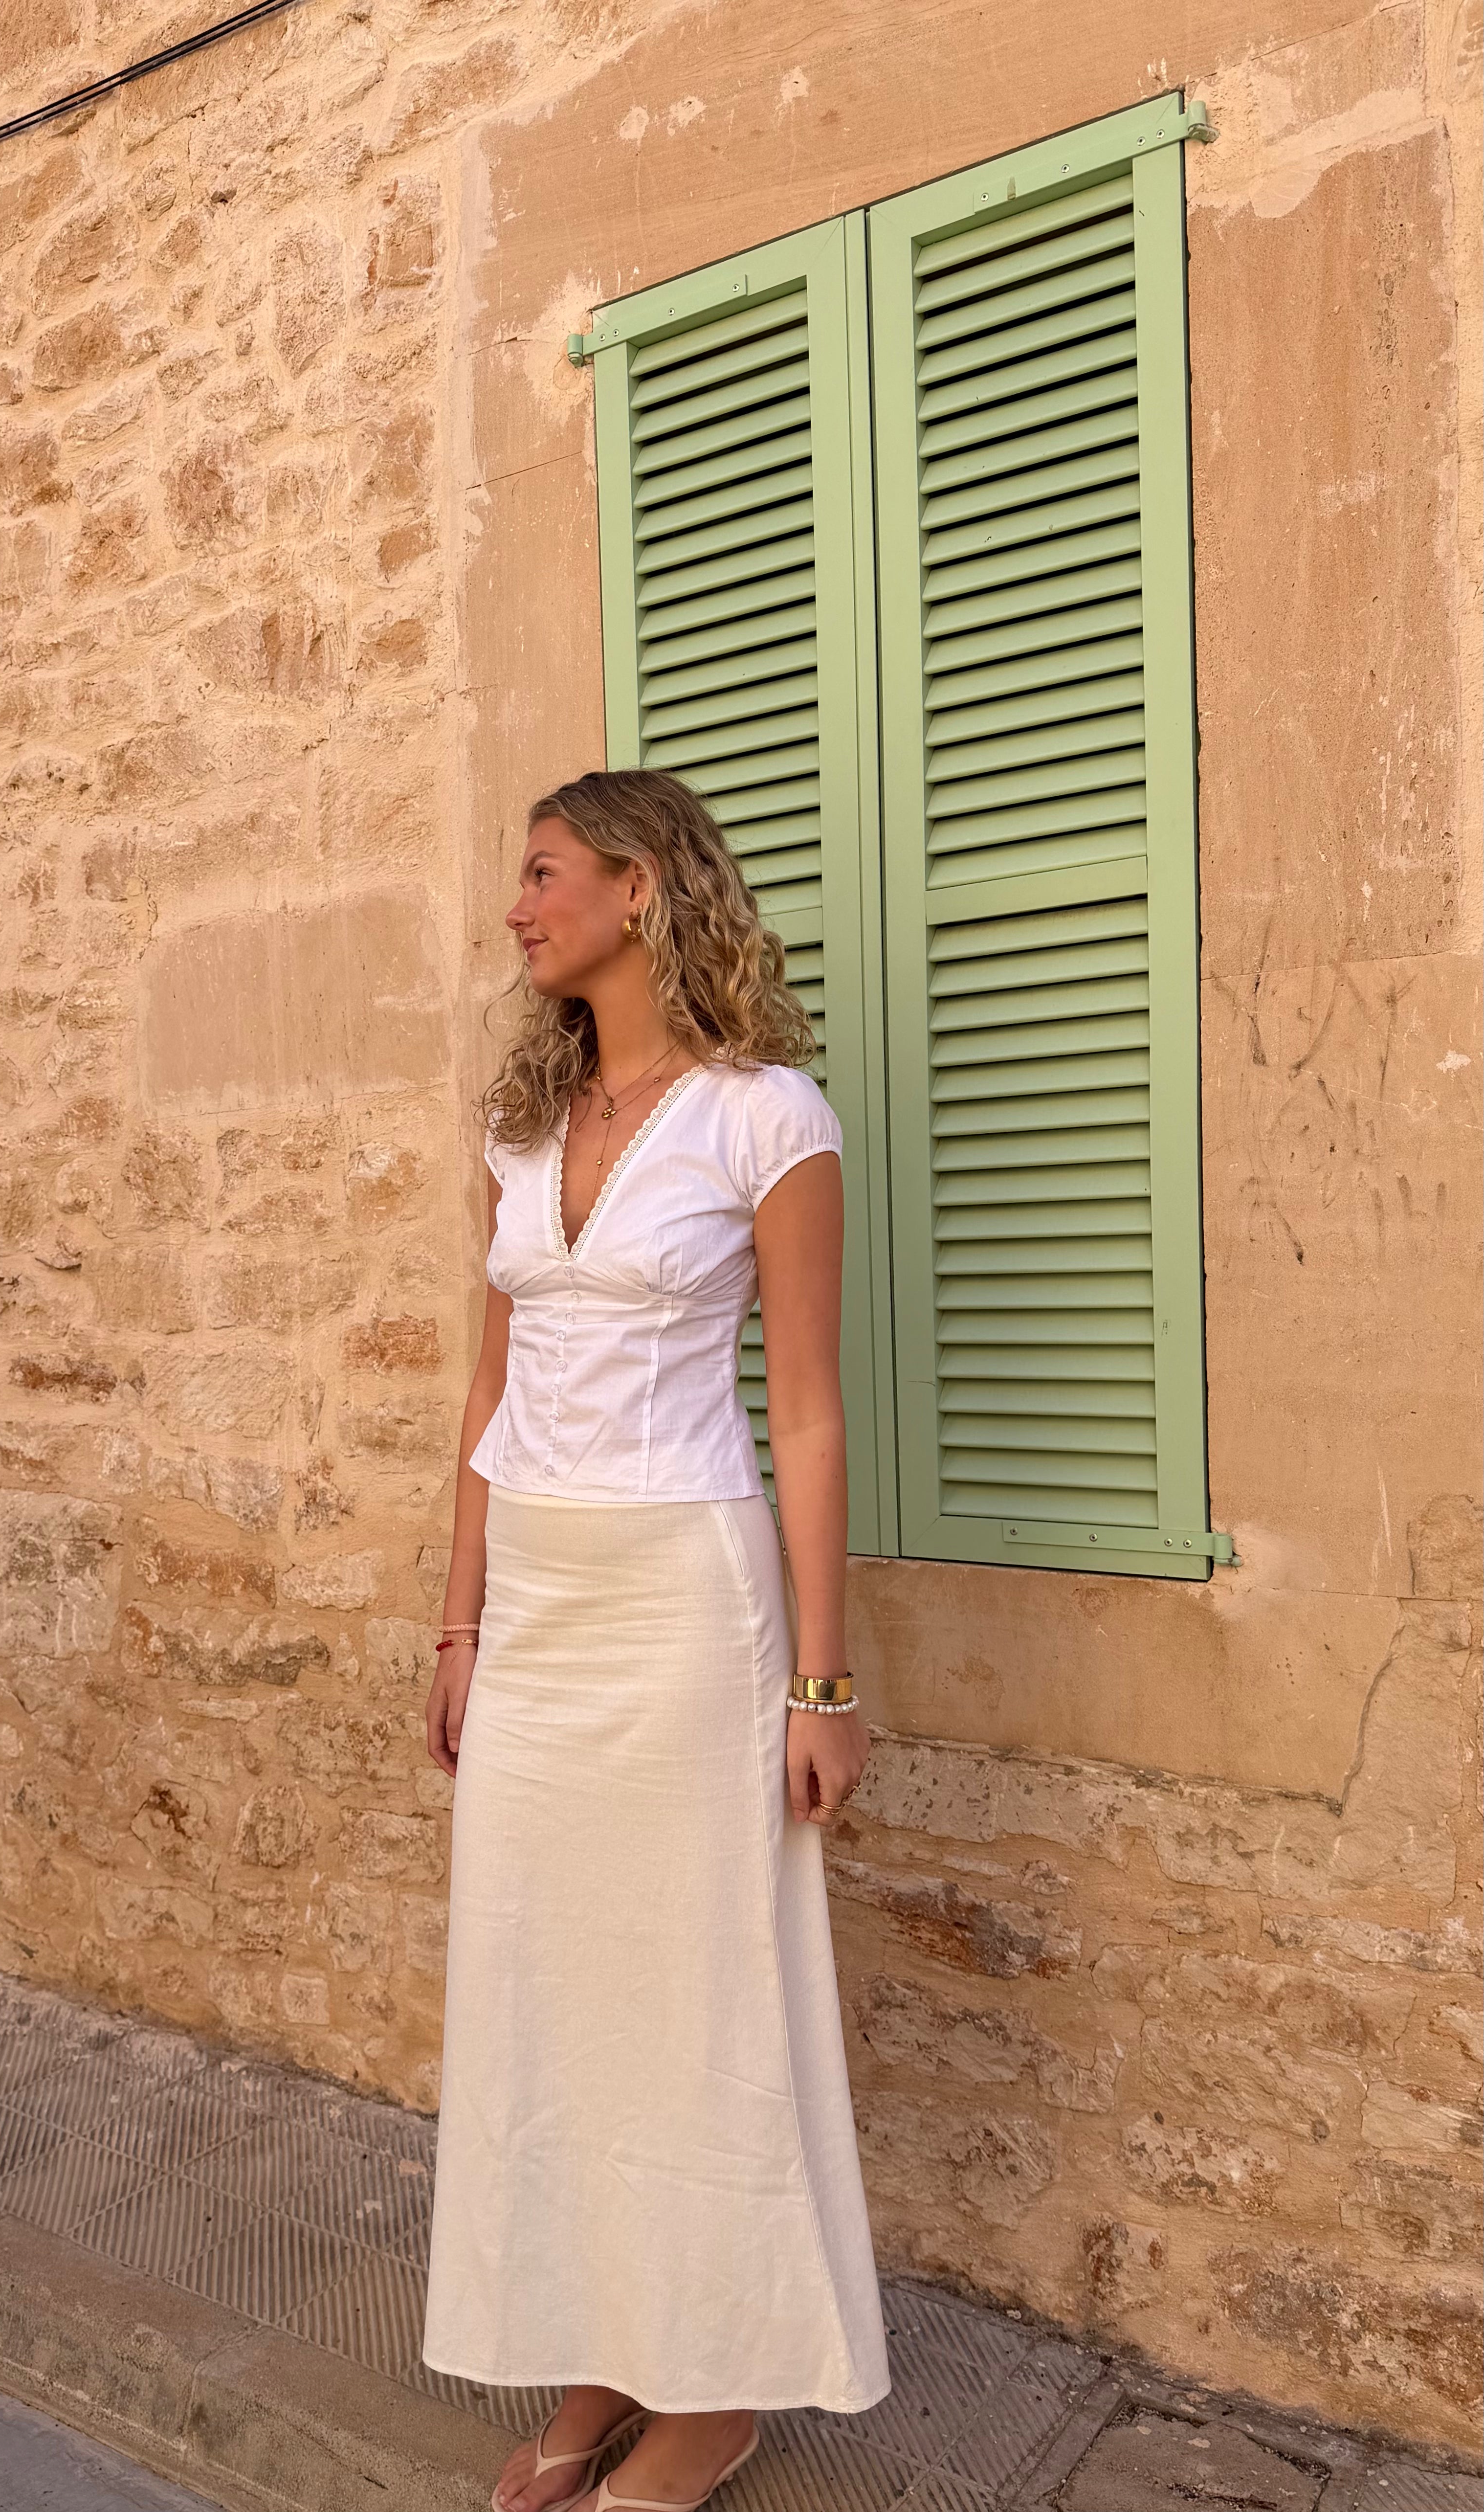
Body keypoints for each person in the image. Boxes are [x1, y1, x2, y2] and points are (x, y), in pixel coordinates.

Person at [420, 770, 890, 2512]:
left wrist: (822, 1681)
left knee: (702, 2000)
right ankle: (610, 2349)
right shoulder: (521, 1131)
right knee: (556, 1994)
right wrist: (460, 1621)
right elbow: (490, 1395)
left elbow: (811, 1416)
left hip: (690, 1604)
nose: (518, 906)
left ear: (639, 888)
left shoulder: (768, 1119)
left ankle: (718, 2394)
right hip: (539, 1612)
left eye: (544, 872)